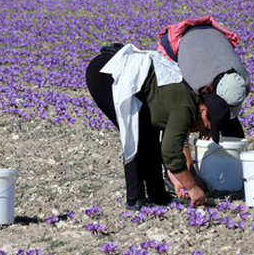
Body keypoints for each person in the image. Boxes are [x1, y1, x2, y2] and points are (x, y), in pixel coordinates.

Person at [86, 43, 235, 209]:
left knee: (149, 136)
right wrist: (192, 187)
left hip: (134, 80)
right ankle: (136, 199)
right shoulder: (184, 108)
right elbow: (170, 152)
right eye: (206, 127)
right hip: (106, 74)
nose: (201, 131)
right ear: (204, 111)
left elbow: (169, 145)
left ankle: (158, 195)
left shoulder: (190, 101)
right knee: (137, 137)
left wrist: (179, 180)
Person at [157, 16, 250, 191]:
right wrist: (189, 174)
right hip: (177, 46)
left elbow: (226, 111)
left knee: (225, 120)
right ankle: (173, 174)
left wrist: (212, 127)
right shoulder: (193, 82)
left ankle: (237, 163)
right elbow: (180, 125)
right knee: (178, 118)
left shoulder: (241, 81)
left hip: (210, 45)